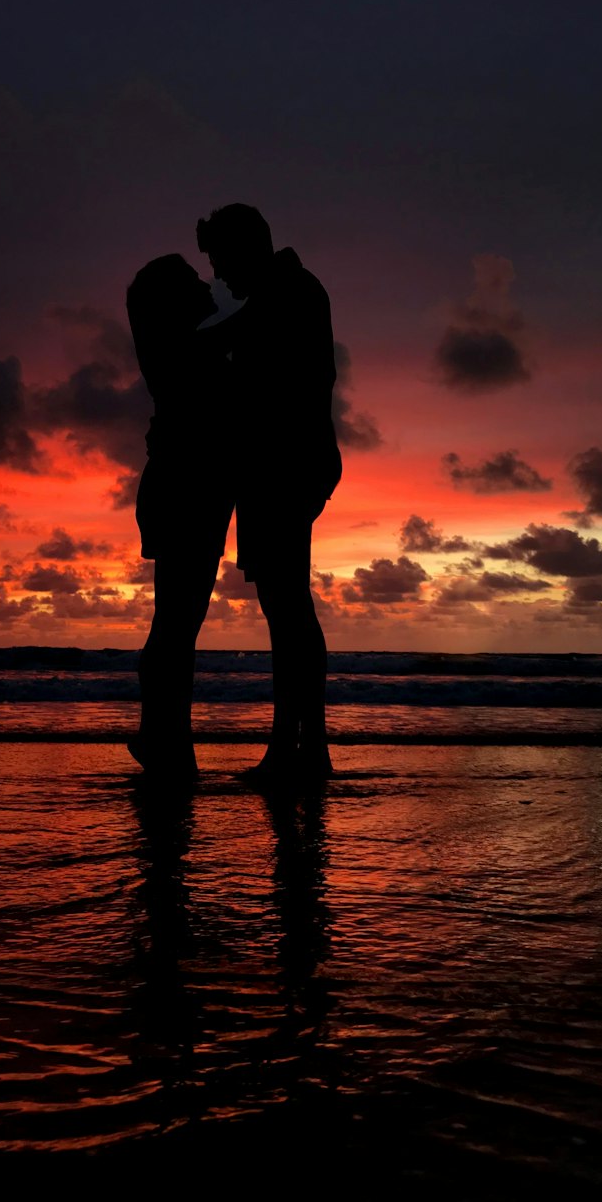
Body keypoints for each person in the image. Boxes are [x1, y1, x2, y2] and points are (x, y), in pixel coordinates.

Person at [196, 204, 341, 784]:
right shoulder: (285, 291)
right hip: (285, 466)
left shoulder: (287, 293)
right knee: (288, 608)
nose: (220, 279)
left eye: (222, 263)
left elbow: (219, 343)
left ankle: (295, 749)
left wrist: (177, 328)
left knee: (288, 611)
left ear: (247, 248)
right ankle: (306, 748)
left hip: (284, 467)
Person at [126, 254, 236, 778]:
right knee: (176, 625)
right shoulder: (185, 350)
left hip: (187, 491)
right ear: (174, 299)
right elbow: (246, 326)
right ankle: (164, 737)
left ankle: (164, 735)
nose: (206, 283)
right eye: (194, 280)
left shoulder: (181, 348)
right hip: (184, 493)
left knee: (175, 624)